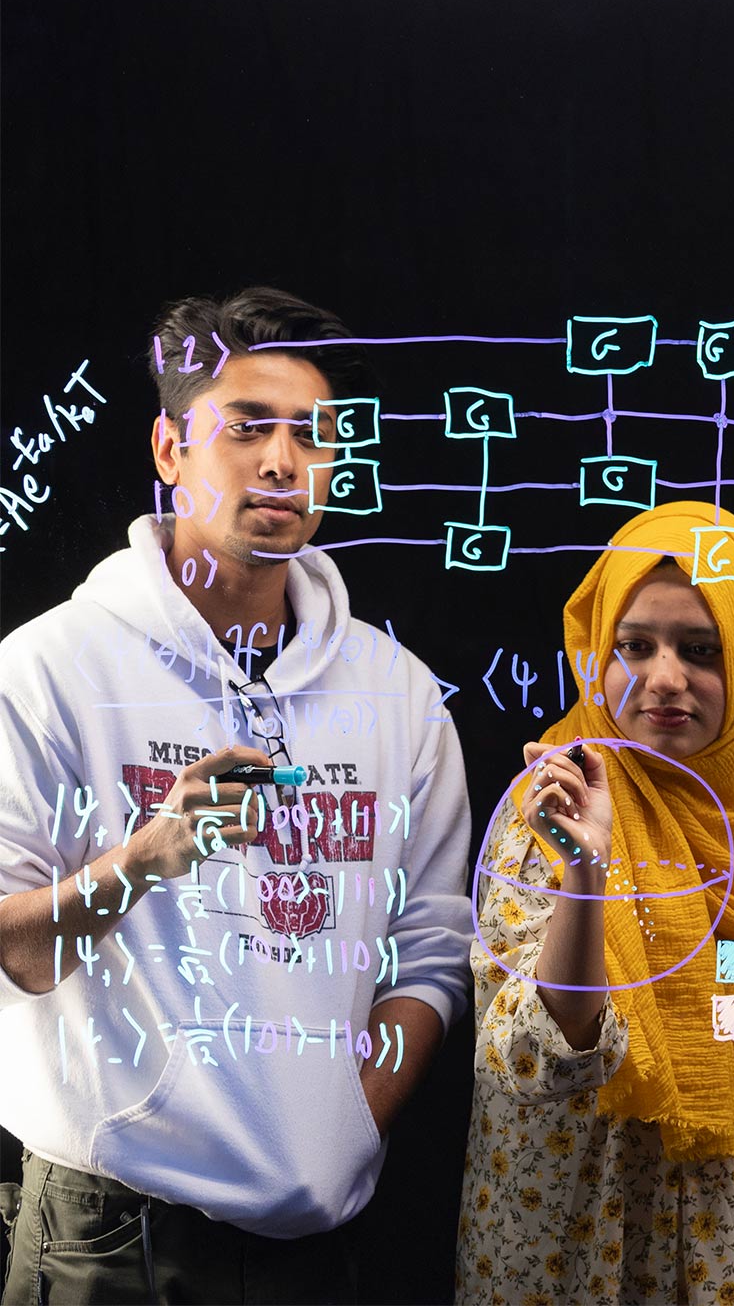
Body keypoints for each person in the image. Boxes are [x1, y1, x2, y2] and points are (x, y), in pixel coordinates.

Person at [0, 289, 472, 1303]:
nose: (282, 461)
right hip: (110, 1231)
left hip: (322, 1241)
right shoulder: (45, 669)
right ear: (169, 448)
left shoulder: (399, 696)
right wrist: (148, 857)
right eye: (248, 426)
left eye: (316, 435)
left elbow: (433, 945)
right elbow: (16, 945)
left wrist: (350, 1118)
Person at [455, 501, 734, 1306]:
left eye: (702, 651)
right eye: (635, 646)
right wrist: (587, 870)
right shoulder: (555, 797)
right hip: (590, 1231)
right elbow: (544, 1053)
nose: (664, 679)